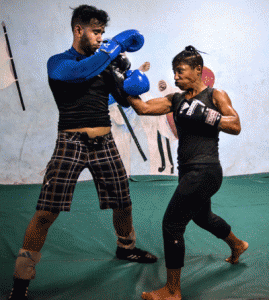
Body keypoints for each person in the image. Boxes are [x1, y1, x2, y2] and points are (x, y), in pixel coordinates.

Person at [8, 5, 157, 300]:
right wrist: (112, 51)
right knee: (45, 212)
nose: (102, 38)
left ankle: (125, 247)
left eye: (104, 32)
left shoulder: (105, 64)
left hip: (104, 142)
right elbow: (78, 74)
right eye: (96, 32)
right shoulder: (59, 62)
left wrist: (131, 77)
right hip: (70, 143)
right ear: (79, 30)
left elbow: (127, 102)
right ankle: (21, 281)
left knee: (123, 200)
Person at [125, 46, 249, 300]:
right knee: (203, 217)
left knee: (172, 224)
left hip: (206, 170)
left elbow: (235, 125)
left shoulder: (216, 95)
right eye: (174, 72)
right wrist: (119, 84)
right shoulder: (176, 99)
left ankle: (172, 291)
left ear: (198, 70)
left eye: (180, 71)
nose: (175, 77)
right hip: (187, 171)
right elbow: (143, 108)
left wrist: (205, 114)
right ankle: (237, 244)